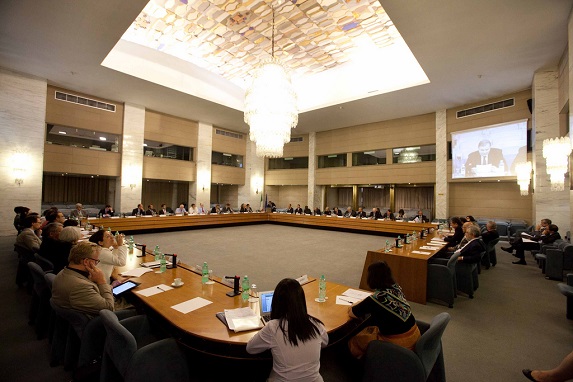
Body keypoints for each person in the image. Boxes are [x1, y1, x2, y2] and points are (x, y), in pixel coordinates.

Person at [246, 278, 328, 382]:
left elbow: (250, 349)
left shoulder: (273, 327)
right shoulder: (317, 325)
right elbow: (325, 343)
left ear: (277, 302)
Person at [348, 261, 420, 357]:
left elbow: (352, 312)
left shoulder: (375, 299)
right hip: (415, 334)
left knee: (356, 340)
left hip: (400, 344)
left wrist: (355, 304)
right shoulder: (396, 288)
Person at [51, 242, 115, 317]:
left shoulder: (63, 272)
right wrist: (102, 282)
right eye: (96, 261)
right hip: (100, 322)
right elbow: (109, 308)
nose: (96, 264)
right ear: (86, 261)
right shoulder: (80, 286)